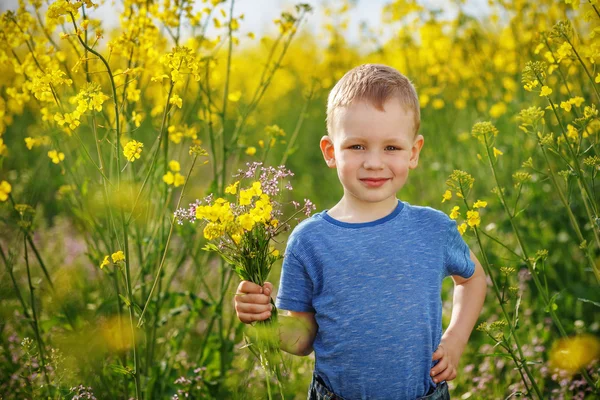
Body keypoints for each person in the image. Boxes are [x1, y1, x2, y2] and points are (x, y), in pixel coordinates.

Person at [234, 64, 487, 400]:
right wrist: (264, 318)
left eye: (391, 148)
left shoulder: (433, 228)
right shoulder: (309, 240)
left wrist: (455, 340)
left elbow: (472, 279)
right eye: (357, 147)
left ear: (413, 152)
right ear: (330, 152)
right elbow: (302, 338)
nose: (373, 162)